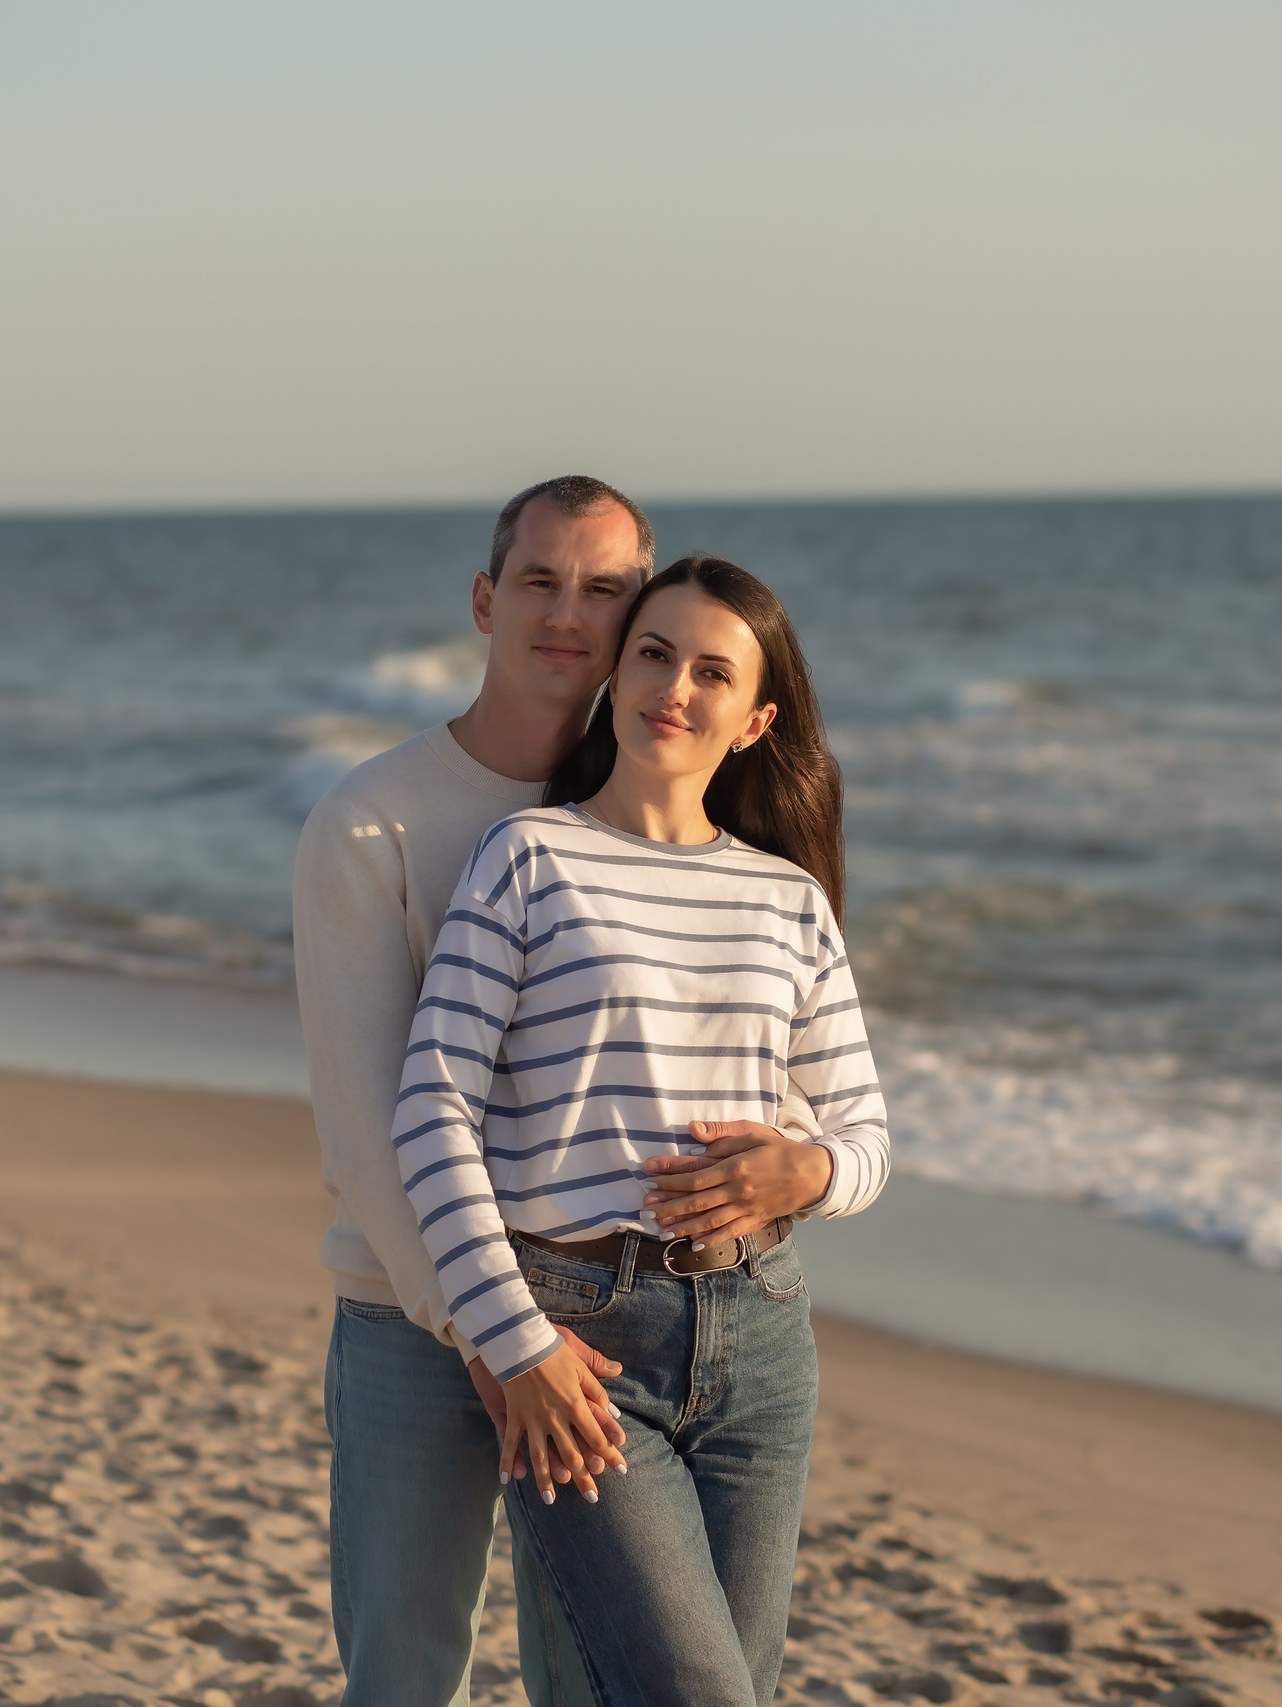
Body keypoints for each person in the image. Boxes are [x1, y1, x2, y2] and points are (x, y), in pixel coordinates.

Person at [394, 555, 891, 1706]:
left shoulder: (787, 899)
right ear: (616, 676)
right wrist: (508, 1339)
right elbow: (431, 1107)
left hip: (761, 1338)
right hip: (581, 1342)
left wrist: (805, 1170)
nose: (674, 687)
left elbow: (865, 1132)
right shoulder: (530, 859)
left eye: (712, 671)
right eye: (655, 654)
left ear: (756, 719)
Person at [294, 476, 654, 1707]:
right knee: (403, 1672)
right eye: (542, 582)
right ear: (485, 601)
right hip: (409, 1314)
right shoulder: (369, 822)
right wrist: (494, 1337)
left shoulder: (648, 821)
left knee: (588, 1671)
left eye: (604, 589)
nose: (568, 612)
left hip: (596, 1318)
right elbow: (362, 1128)